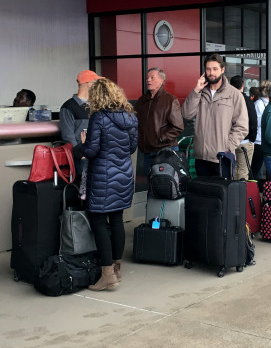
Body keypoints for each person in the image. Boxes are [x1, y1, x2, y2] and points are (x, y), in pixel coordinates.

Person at [80, 78, 138, 292]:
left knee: (98, 221)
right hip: (124, 175)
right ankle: (116, 268)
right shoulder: (130, 116)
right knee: (116, 220)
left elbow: (92, 151)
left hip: (103, 176)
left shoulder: (98, 117)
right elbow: (132, 147)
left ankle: (107, 275)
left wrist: (82, 144)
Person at [181, 53, 248, 177]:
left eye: (215, 69)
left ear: (222, 70)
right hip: (201, 157)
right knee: (204, 195)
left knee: (222, 195)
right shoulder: (200, 92)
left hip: (222, 157)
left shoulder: (234, 94)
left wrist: (227, 146)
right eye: (208, 69)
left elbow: (242, 126)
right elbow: (186, 114)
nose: (211, 72)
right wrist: (196, 91)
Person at [134, 67, 184, 179]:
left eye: (152, 77)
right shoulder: (141, 101)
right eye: (147, 78)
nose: (148, 80)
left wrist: (161, 138)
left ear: (161, 81)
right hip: (147, 151)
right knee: (151, 185)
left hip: (165, 150)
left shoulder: (170, 100)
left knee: (165, 186)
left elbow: (178, 127)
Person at [60, 70, 103, 178]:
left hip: (98, 155)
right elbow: (68, 135)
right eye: (96, 83)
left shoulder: (96, 105)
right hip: (81, 158)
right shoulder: (68, 107)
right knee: (84, 189)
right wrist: (80, 154)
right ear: (89, 84)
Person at [229, 75, 258, 180]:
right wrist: (252, 138)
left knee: (229, 171)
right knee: (242, 172)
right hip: (244, 141)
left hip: (229, 140)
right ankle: (239, 195)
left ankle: (230, 194)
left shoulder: (227, 99)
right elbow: (253, 119)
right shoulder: (246, 100)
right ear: (243, 85)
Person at [251, 79, 271, 179]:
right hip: (259, 140)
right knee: (256, 167)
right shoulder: (258, 104)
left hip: (266, 140)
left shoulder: (269, 103)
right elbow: (257, 123)